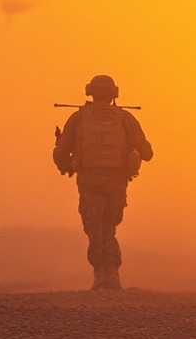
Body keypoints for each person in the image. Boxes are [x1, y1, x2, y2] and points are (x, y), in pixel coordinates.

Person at [52, 75, 153, 290]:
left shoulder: (78, 119)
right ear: (114, 93)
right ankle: (112, 273)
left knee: (94, 227)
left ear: (90, 91)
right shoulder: (125, 118)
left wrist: (68, 167)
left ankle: (100, 273)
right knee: (109, 226)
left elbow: (61, 152)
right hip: (116, 181)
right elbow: (147, 152)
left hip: (89, 180)